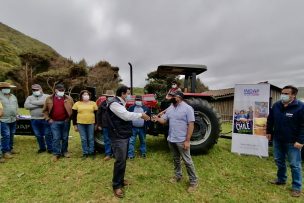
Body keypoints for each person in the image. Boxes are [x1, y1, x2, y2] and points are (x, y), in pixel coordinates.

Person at [106, 85, 150, 198]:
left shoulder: (121, 103)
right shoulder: (114, 103)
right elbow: (126, 116)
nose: (129, 96)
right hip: (117, 136)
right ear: (122, 94)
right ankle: (116, 186)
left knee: (123, 160)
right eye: (128, 93)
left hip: (123, 135)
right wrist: (141, 115)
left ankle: (121, 180)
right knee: (120, 161)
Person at [152, 90, 198, 193]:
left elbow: (191, 125)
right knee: (176, 159)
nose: (171, 98)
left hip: (182, 140)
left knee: (187, 161)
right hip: (171, 139)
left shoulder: (188, 108)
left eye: (173, 96)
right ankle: (178, 176)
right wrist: (157, 118)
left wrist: (187, 141)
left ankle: (194, 182)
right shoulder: (171, 108)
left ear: (179, 97)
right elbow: (164, 121)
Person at [266, 85, 304, 198]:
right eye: (283, 93)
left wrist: (300, 140)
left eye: (286, 93)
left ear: (293, 95)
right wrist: (269, 132)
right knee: (279, 160)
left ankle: (297, 187)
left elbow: (303, 126)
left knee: (295, 165)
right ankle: (281, 179)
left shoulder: (300, 107)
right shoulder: (277, 105)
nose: (283, 95)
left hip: (293, 142)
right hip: (278, 139)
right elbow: (270, 119)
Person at [43, 83, 74, 162]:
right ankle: (56, 153)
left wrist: (70, 118)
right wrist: (48, 119)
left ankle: (65, 151)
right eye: (60, 90)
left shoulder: (69, 98)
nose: (62, 91)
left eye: (63, 90)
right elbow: (45, 110)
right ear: (55, 90)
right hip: (54, 122)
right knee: (56, 138)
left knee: (65, 137)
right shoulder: (49, 99)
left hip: (65, 121)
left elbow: (73, 109)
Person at [24, 84, 53, 154]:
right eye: (33, 90)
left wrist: (33, 103)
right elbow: (26, 106)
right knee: (38, 135)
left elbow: (46, 103)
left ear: (41, 89)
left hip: (45, 118)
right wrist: (40, 104)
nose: (35, 91)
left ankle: (50, 148)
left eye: (37, 89)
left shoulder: (47, 96)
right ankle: (42, 148)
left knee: (48, 134)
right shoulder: (29, 97)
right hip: (34, 119)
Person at [72, 90, 98, 159]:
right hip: (80, 124)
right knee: (83, 139)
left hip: (91, 123)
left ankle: (91, 152)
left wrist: (96, 124)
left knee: (91, 138)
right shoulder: (77, 103)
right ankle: (85, 153)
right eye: (84, 94)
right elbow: (74, 116)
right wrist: (74, 125)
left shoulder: (93, 103)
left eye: (87, 94)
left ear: (89, 96)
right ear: (81, 96)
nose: (86, 96)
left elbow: (96, 114)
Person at [0, 82, 18, 159]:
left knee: (11, 134)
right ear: (1, 89)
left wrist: (17, 114)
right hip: (3, 119)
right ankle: (5, 152)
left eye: (8, 88)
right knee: (6, 135)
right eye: (5, 88)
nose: (7, 89)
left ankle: (10, 148)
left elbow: (16, 106)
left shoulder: (13, 96)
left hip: (13, 119)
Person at [96, 90, 115, 161]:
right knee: (107, 140)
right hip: (105, 125)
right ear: (106, 97)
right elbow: (98, 115)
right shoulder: (102, 104)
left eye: (111, 96)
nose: (110, 97)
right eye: (109, 96)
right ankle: (108, 154)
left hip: (114, 126)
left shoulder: (116, 104)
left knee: (114, 140)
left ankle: (114, 153)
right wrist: (99, 124)